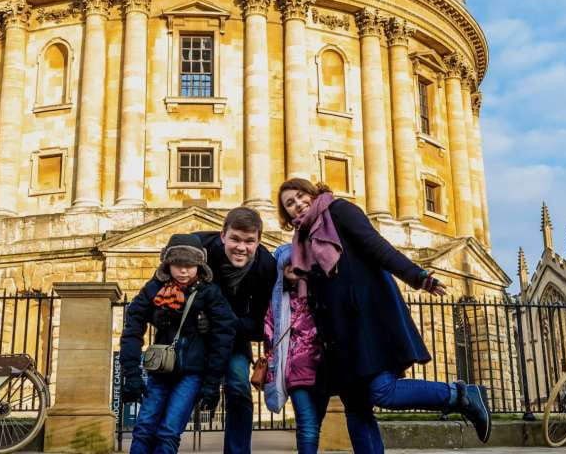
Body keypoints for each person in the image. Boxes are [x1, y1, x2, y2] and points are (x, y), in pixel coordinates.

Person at [276, 178, 492, 453]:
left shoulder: (339, 211)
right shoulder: (300, 242)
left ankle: (460, 395)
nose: (297, 204)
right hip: (338, 336)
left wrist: (418, 276)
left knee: (382, 390)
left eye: (300, 196)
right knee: (357, 409)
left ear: (311, 192)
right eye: (290, 203)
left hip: (367, 321)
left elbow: (377, 247)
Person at [119, 234, 237, 454]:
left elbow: (224, 335)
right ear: (168, 264)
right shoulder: (155, 288)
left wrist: (212, 382)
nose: (183, 271)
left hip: (192, 372)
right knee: (144, 428)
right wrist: (131, 373)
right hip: (160, 371)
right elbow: (132, 328)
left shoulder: (209, 292)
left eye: (190, 265)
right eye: (177, 264)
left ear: (199, 265)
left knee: (168, 432)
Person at [192, 208, 277, 454]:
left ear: (259, 240)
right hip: (195, 333)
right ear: (223, 236)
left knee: (239, 387)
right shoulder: (201, 249)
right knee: (178, 388)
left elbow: (261, 324)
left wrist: (222, 324)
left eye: (249, 241)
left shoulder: (266, 266)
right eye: (235, 239)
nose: (241, 247)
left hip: (235, 338)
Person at [263, 242, 327, 454]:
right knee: (308, 423)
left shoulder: (319, 295)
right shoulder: (277, 301)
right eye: (287, 263)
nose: (292, 266)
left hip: (323, 369)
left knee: (314, 423)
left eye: (297, 261)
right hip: (295, 369)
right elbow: (270, 336)